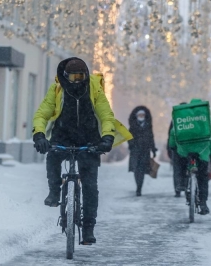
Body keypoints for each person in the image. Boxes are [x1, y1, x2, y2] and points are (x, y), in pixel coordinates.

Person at [32, 57, 131, 244]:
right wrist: (39, 135)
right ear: (66, 76)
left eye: (81, 76)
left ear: (85, 74)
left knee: (90, 187)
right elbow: (42, 113)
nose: (77, 80)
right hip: (62, 136)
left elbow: (106, 114)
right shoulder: (57, 89)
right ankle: (54, 191)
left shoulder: (94, 88)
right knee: (52, 156)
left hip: (89, 140)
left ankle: (88, 228)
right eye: (73, 76)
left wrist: (107, 137)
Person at [168, 99, 211, 215]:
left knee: (182, 164)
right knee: (202, 177)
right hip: (202, 151)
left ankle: (182, 183)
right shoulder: (207, 119)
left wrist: (172, 146)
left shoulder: (185, 118)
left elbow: (173, 132)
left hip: (186, 150)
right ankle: (203, 203)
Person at [128, 106, 157, 196]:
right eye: (139, 114)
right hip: (135, 151)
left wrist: (153, 149)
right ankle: (138, 186)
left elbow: (151, 138)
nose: (141, 116)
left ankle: (139, 187)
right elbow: (129, 137)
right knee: (137, 169)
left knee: (142, 169)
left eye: (142, 115)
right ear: (136, 116)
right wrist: (132, 145)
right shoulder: (132, 126)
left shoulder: (148, 126)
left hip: (145, 151)